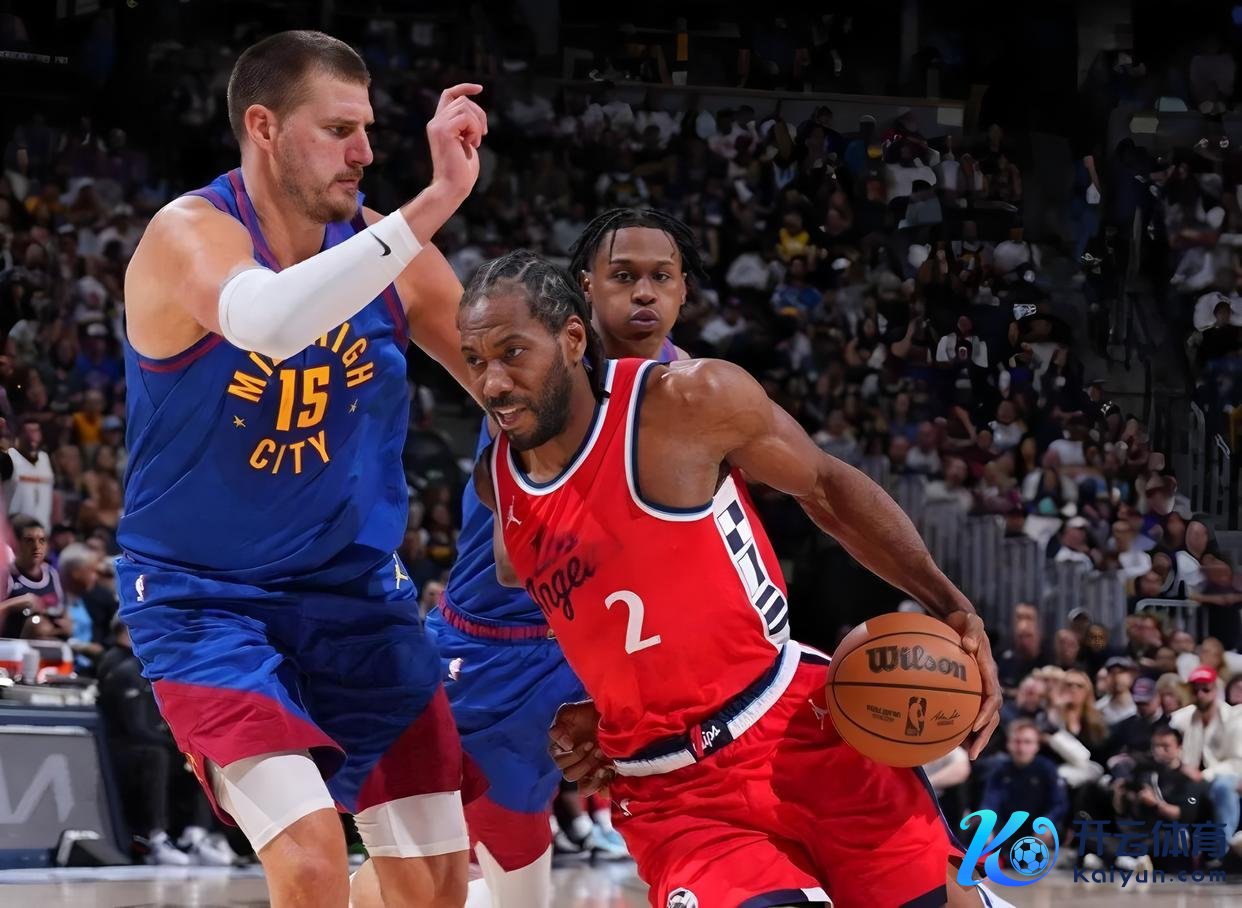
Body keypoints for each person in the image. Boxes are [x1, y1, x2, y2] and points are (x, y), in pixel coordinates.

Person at [458, 251, 1004, 907]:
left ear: (573, 338)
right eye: (475, 360)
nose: (492, 382)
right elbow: (599, 614)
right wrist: (607, 707)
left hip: (797, 726)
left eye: (512, 353)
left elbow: (827, 489)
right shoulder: (499, 485)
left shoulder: (684, 403)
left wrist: (949, 604)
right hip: (675, 794)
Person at [115, 31, 487, 908]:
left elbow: (510, 388)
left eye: (369, 131)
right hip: (206, 601)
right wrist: (437, 201)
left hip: (357, 599)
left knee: (437, 884)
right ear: (265, 127)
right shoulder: (189, 235)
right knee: (312, 858)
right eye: (340, 130)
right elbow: (272, 321)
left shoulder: (389, 255)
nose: (365, 153)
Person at [426, 207, 705, 906]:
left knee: (704, 811)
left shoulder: (688, 389)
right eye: (623, 277)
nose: (643, 294)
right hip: (491, 651)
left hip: (598, 649)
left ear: (683, 291)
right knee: (453, 882)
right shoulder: (539, 368)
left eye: (660, 278)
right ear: (585, 291)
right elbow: (516, 560)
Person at [1169, 665, 1242, 849]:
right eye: (1195, 690)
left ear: (1215, 690)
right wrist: (1181, 765)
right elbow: (1169, 742)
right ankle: (1177, 845)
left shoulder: (1234, 718)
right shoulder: (1182, 717)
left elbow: (1236, 762)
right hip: (1190, 775)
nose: (1200, 694)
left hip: (1224, 775)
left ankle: (1223, 848)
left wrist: (1204, 775)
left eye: (1205, 689)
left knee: (1223, 786)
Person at [980, 719, 1069, 848]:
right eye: (1017, 742)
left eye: (1027, 742)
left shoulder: (1047, 769)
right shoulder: (1000, 770)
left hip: (1037, 829)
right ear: (1008, 744)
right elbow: (990, 802)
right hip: (1007, 830)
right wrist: (987, 827)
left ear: (1037, 745)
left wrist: (1047, 822)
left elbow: (1059, 804)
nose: (1021, 748)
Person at [0, 516, 65, 639]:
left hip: (45, 641)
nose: (36, 546)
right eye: (29, 540)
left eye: (42, 540)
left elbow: (60, 609)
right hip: (12, 644)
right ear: (16, 543)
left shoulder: (52, 574)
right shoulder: (7, 575)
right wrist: (14, 604)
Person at [1, 419, 54, 529]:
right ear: (18, 435)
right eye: (28, 431)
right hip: (14, 527)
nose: (32, 435)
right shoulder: (9, 457)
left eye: (36, 430)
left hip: (42, 529)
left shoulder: (45, 458)